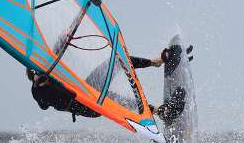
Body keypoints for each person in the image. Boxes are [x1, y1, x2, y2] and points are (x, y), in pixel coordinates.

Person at [27, 50, 186, 122]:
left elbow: (57, 49)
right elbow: (43, 105)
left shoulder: (49, 69)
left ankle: (156, 61)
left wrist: (64, 36)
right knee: (112, 99)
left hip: (87, 88)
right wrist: (40, 83)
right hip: (87, 106)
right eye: (39, 79)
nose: (43, 78)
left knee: (116, 61)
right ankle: (162, 112)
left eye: (43, 74)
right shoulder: (38, 92)